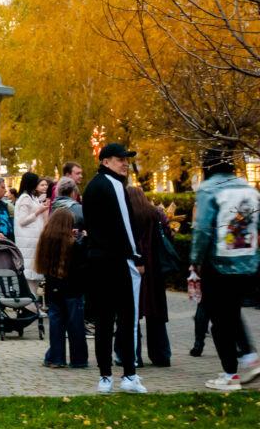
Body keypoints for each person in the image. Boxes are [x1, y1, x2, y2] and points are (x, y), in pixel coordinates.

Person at [190, 148, 260, 391]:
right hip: (247, 260)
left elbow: (202, 230)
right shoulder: (248, 189)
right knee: (232, 312)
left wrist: (195, 261)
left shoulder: (209, 189)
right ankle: (249, 358)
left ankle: (231, 374)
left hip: (218, 262)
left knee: (219, 320)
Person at [82, 143, 147, 394]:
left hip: (97, 260)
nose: (125, 163)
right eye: (120, 159)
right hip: (119, 262)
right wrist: (137, 256)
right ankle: (129, 375)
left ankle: (105, 377)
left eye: (126, 159)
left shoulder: (91, 187)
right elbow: (126, 225)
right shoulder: (115, 185)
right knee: (127, 319)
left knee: (104, 322)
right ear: (105, 161)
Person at [123, 187, 172, 367]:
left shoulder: (126, 214)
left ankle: (132, 356)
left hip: (132, 269)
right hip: (155, 271)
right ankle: (162, 355)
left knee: (130, 316)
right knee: (156, 315)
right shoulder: (156, 213)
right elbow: (168, 234)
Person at [36, 208, 89, 368]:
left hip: (53, 288)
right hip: (72, 289)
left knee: (56, 325)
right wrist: (84, 241)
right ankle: (78, 359)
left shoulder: (46, 239)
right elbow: (81, 264)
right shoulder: (73, 245)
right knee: (76, 326)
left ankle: (56, 358)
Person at [15, 172, 49, 302]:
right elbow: (22, 220)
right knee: (30, 275)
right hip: (27, 242)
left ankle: (33, 305)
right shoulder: (25, 199)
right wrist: (38, 211)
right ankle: (31, 306)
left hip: (32, 241)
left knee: (33, 276)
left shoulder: (31, 197)